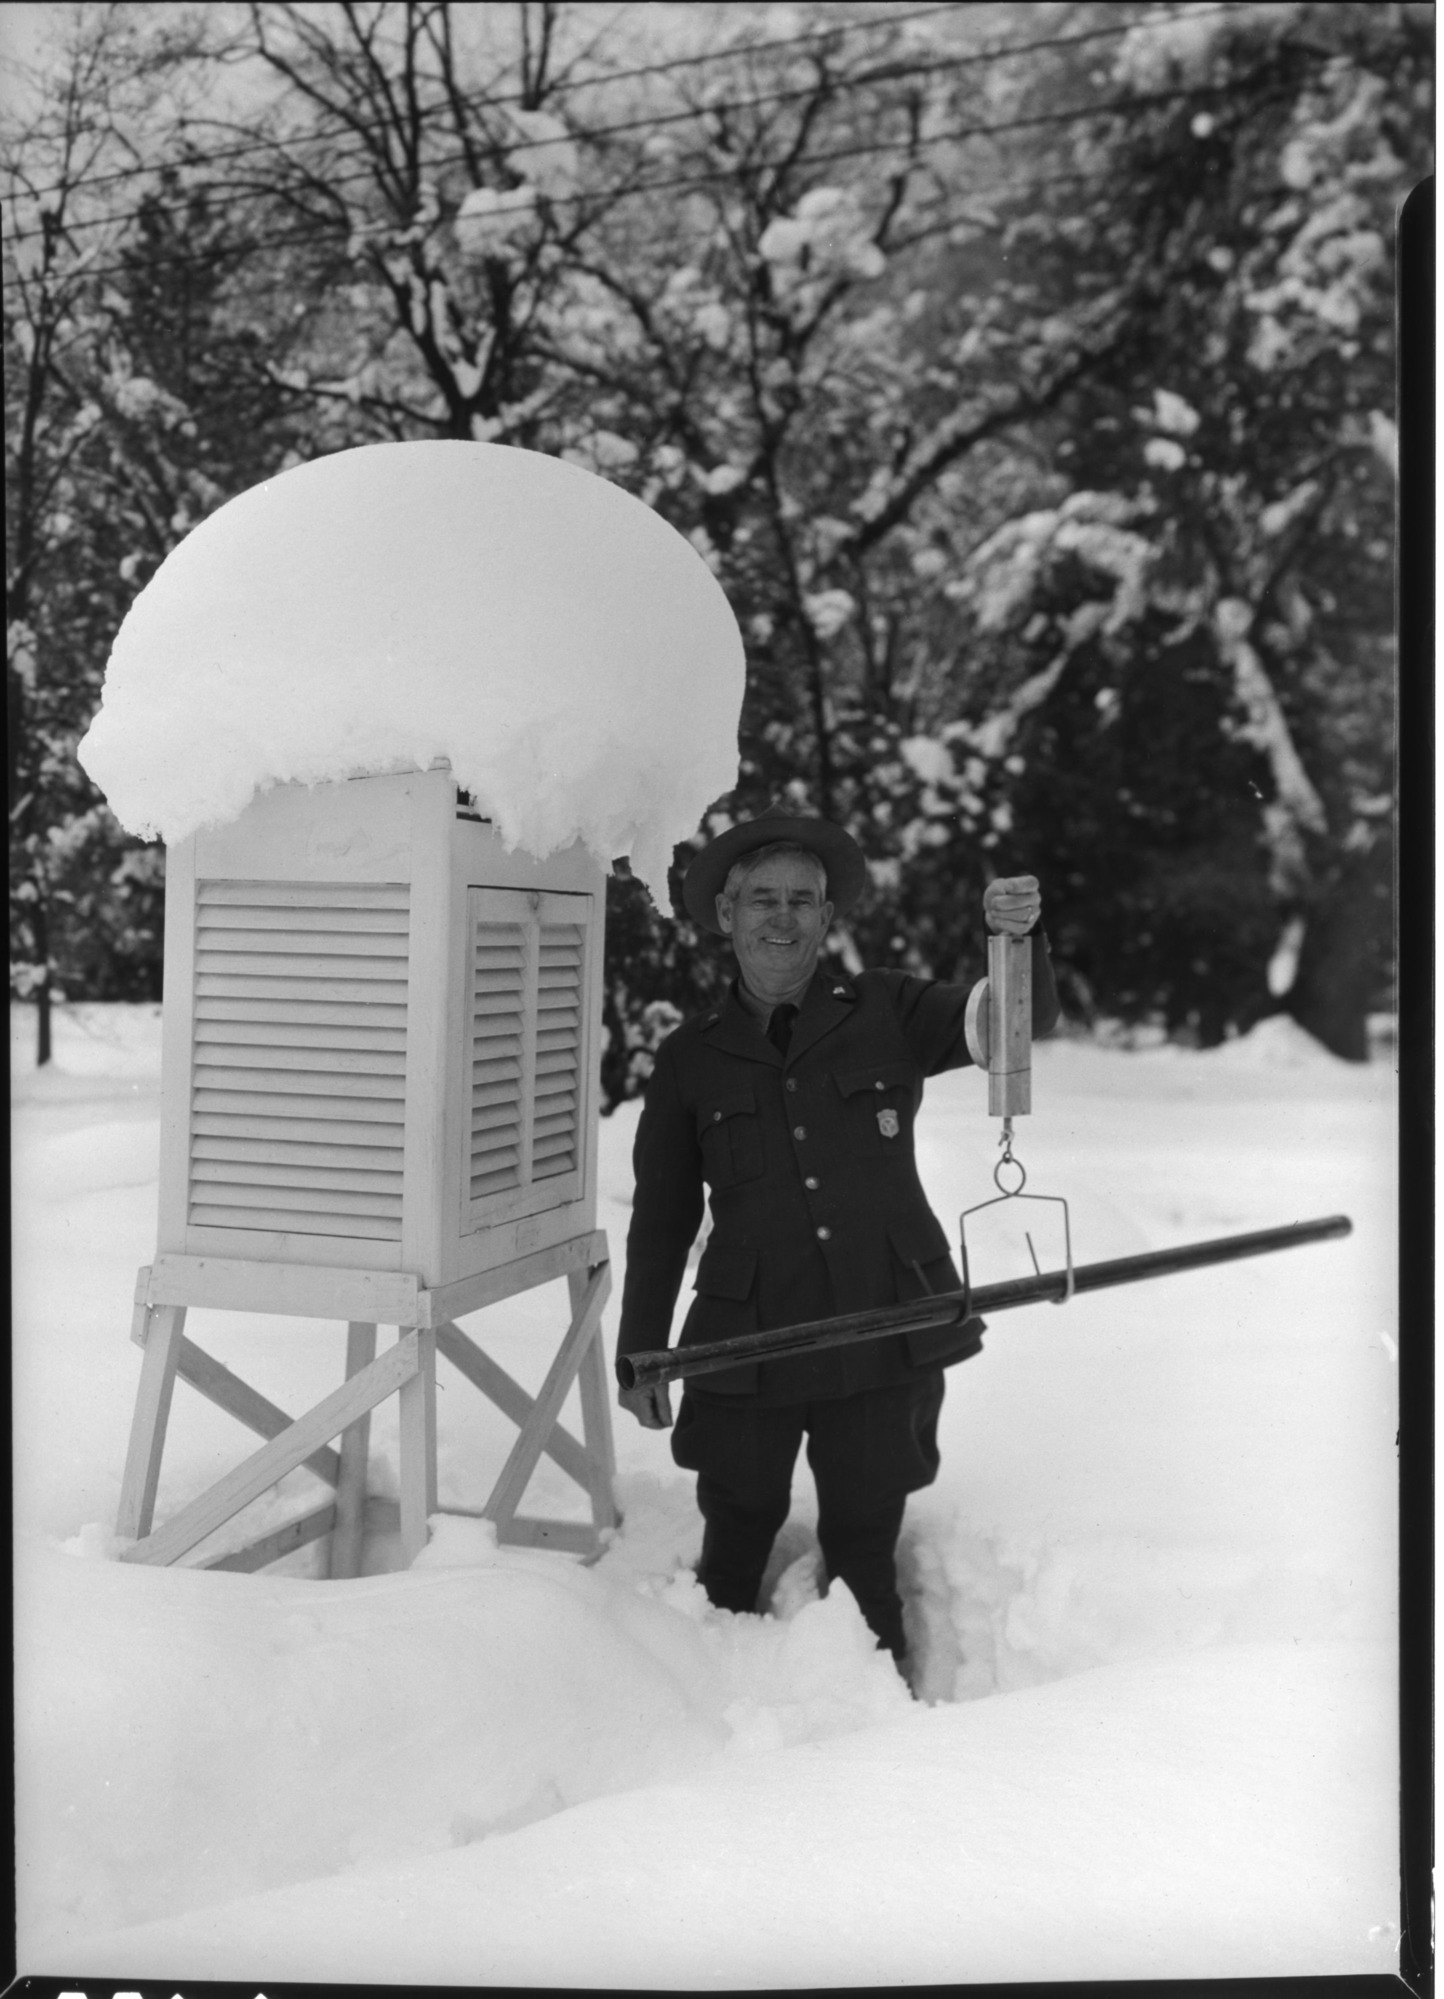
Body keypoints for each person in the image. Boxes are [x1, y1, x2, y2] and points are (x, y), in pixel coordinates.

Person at [614, 808, 1059, 1670]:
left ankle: (881, 1732)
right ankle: (712, 1722)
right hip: (749, 1341)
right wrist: (643, 1346)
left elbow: (1012, 1021)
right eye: (761, 900)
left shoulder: (889, 1009)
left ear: (827, 918)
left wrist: (1020, 939)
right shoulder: (690, 1059)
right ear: (726, 917)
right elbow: (663, 1217)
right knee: (735, 1540)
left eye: (802, 900)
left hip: (882, 1325)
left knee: (865, 1541)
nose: (782, 917)